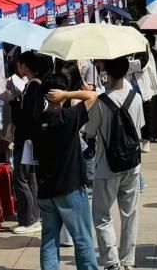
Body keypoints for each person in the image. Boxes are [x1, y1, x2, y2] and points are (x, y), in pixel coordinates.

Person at [84, 57, 144, 270]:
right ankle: (128, 260)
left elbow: (90, 131)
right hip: (132, 165)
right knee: (130, 214)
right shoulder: (136, 98)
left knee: (101, 215)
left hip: (107, 167)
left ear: (107, 73)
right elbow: (139, 128)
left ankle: (111, 262)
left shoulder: (101, 102)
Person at [36, 74, 100, 270]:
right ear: (59, 95)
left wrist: (62, 95)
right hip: (70, 187)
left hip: (46, 190)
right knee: (82, 239)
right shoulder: (68, 117)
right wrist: (67, 94)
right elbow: (93, 95)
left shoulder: (37, 121)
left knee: (49, 241)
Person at [11, 50, 50, 235]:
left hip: (26, 140)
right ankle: (34, 216)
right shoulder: (35, 85)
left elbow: (27, 116)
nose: (18, 67)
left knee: (22, 179)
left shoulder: (34, 86)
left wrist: (14, 102)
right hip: (31, 139)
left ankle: (29, 219)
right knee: (31, 178)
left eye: (19, 64)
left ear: (25, 66)